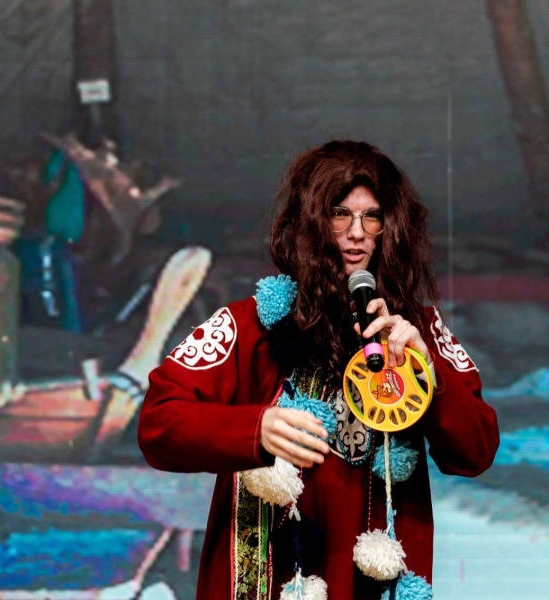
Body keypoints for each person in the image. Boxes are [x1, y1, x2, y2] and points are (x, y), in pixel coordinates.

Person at [138, 140, 499, 599]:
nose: (357, 233)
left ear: (391, 229)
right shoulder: (246, 325)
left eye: (372, 217)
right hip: (266, 579)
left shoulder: (417, 332)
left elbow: (477, 452)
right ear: (309, 223)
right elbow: (158, 423)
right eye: (339, 214)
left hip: (370, 574)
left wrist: (429, 375)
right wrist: (254, 429)